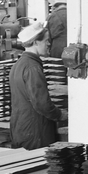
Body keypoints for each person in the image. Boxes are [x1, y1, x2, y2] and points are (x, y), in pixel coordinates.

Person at [9, 21, 67, 149]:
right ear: (35, 42)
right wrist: (60, 114)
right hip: (35, 132)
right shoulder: (32, 68)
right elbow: (42, 104)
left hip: (21, 129)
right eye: (46, 41)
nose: (49, 44)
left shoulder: (18, 65)